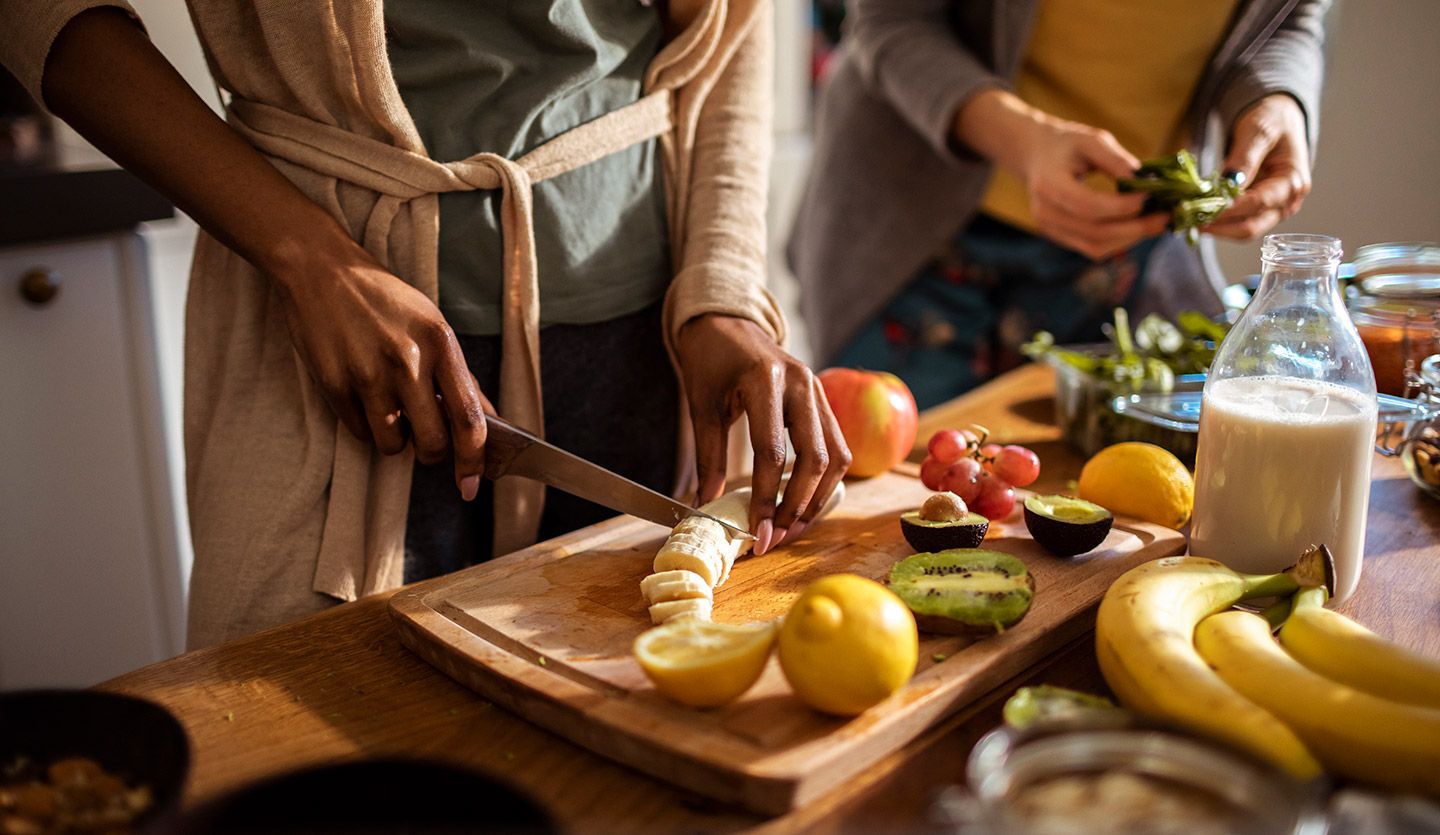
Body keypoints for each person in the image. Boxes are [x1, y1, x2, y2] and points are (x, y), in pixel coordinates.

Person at [1, 0, 849, 648]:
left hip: (650, 354)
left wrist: (724, 288)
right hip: (333, 358)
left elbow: (735, 37)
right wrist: (308, 258)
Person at [789, 0, 1329, 409]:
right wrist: (1024, 141)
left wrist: (1277, 100)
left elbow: (1289, 20)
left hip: (1126, 254)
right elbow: (892, 22)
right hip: (911, 236)